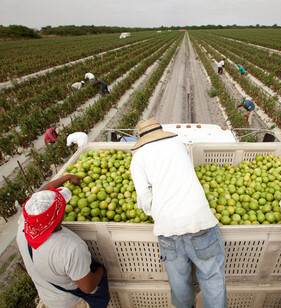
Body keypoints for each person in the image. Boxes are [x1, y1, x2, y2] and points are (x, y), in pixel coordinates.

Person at [130, 118, 227, 308]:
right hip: (199, 220)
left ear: (142, 138)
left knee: (179, 281)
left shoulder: (138, 158)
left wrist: (159, 210)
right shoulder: (177, 144)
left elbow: (143, 197)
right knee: (212, 277)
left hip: (167, 228)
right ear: (160, 130)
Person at [16, 174, 110, 308]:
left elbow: (39, 198)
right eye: (61, 208)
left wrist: (67, 178)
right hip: (71, 302)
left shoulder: (26, 221)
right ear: (58, 217)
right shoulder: (69, 247)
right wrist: (100, 271)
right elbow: (88, 287)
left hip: (48, 296)